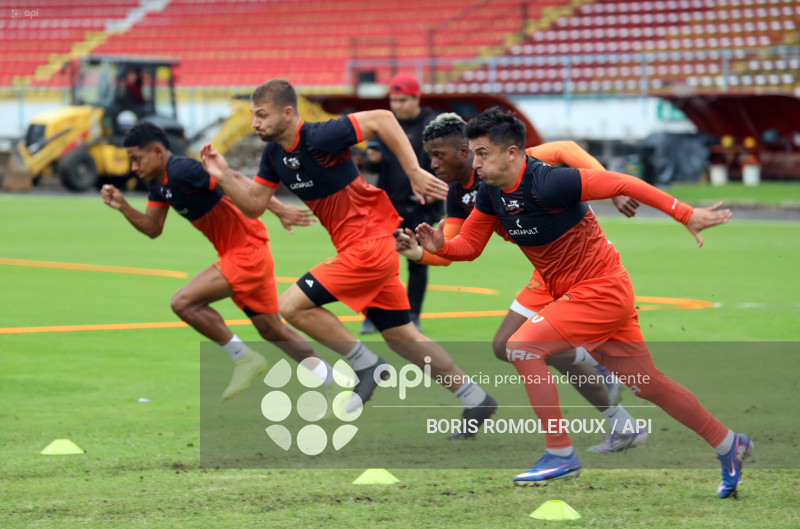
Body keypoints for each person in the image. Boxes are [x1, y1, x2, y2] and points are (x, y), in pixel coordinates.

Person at [416, 107, 751, 497]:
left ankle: (559, 453)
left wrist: (685, 213)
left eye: (483, 154)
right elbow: (470, 246)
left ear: (511, 153)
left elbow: (624, 182)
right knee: (649, 385)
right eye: (473, 153)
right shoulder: (492, 193)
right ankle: (730, 444)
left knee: (523, 348)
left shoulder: (551, 182)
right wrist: (442, 247)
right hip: (584, 294)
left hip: (601, 290)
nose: (476, 163)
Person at [200, 78, 498, 434]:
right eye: (253, 116)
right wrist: (224, 176)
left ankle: (366, 365)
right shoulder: (274, 155)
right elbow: (253, 206)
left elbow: (383, 119)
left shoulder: (320, 136)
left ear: (288, 112)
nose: (255, 123)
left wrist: (414, 170)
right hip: (365, 246)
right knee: (402, 337)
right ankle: (475, 398)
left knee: (292, 306)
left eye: (262, 115)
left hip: (370, 244)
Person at [396, 112, 646, 452]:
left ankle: (597, 390)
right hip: (545, 273)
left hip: (578, 261)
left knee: (529, 346)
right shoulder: (459, 195)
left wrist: (611, 187)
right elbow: (454, 249)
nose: (432, 164)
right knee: (508, 347)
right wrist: (417, 253)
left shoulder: (513, 162)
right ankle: (613, 403)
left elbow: (566, 148)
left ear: (464, 151)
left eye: (438, 155)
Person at [101, 121, 330, 401]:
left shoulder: (182, 170)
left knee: (183, 302)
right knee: (273, 330)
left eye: (137, 159)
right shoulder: (158, 184)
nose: (134, 167)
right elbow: (152, 228)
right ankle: (331, 381)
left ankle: (243, 357)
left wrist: (279, 208)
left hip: (246, 252)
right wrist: (124, 207)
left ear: (158, 152)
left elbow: (232, 176)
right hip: (244, 253)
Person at [359, 73, 442, 334]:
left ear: (417, 98)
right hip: (388, 204)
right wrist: (371, 158)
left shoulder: (434, 124)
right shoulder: (386, 123)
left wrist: (437, 189)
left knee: (418, 262)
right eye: (394, 100)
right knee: (379, 260)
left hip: (422, 205)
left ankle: (413, 315)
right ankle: (374, 315)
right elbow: (372, 164)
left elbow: (450, 159)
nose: (397, 105)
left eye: (403, 100)